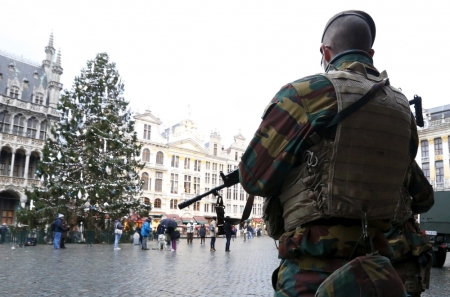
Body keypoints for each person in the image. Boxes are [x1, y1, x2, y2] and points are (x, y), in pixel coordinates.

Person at [239, 10, 433, 296]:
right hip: (381, 271)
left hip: (313, 274)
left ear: (325, 53)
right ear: (370, 52)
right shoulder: (402, 107)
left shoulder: (304, 93)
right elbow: (417, 194)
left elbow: (253, 179)